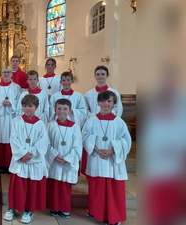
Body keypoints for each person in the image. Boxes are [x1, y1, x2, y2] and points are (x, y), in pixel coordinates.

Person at [82, 91, 131, 225]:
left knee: (114, 189)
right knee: (97, 189)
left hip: (112, 161)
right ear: (98, 102)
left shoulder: (119, 122)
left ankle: (114, 216)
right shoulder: (91, 121)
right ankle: (96, 212)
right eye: (103, 101)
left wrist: (112, 151)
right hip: (97, 159)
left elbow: (126, 141)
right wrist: (97, 150)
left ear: (114, 103)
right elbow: (85, 137)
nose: (105, 104)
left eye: (109, 101)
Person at [4, 94, 48, 224]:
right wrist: (22, 154)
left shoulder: (40, 124)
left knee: (32, 186)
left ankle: (29, 210)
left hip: (33, 161)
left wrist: (30, 154)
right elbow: (14, 139)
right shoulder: (16, 121)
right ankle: (12, 208)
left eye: (30, 106)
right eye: (25, 106)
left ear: (36, 107)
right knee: (17, 185)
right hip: (20, 159)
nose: (28, 109)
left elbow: (42, 142)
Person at [82, 65, 123, 175]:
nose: (100, 76)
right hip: (94, 125)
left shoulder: (114, 92)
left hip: (110, 125)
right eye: (98, 74)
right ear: (94, 76)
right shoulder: (89, 94)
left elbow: (118, 109)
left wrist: (111, 121)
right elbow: (85, 111)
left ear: (107, 75)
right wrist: (94, 118)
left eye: (103, 74)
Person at [45, 98, 82, 219]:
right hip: (54, 161)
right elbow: (46, 143)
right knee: (54, 185)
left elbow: (78, 145)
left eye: (65, 109)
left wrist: (68, 158)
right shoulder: (50, 125)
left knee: (65, 187)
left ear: (70, 111)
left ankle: (65, 209)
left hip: (67, 162)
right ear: (55, 110)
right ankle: (54, 207)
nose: (62, 111)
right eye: (59, 109)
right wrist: (54, 155)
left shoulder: (75, 127)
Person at [0, 66, 21, 173]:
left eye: (8, 72)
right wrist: (0, 103)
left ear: (12, 74)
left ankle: (8, 164)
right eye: (4, 72)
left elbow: (20, 102)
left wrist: (11, 103)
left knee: (9, 140)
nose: (6, 74)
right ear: (1, 74)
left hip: (10, 117)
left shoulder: (16, 87)